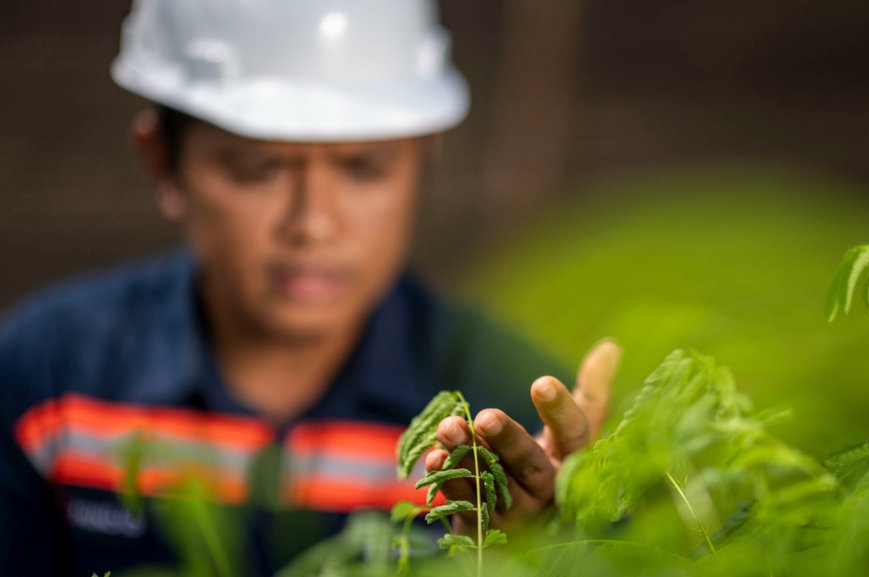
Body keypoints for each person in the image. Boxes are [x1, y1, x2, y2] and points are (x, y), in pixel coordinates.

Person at [0, 1, 621, 576]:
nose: (314, 223)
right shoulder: (49, 383)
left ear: (423, 155)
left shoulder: (511, 422)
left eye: (363, 168)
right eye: (258, 168)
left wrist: (531, 554)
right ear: (164, 162)